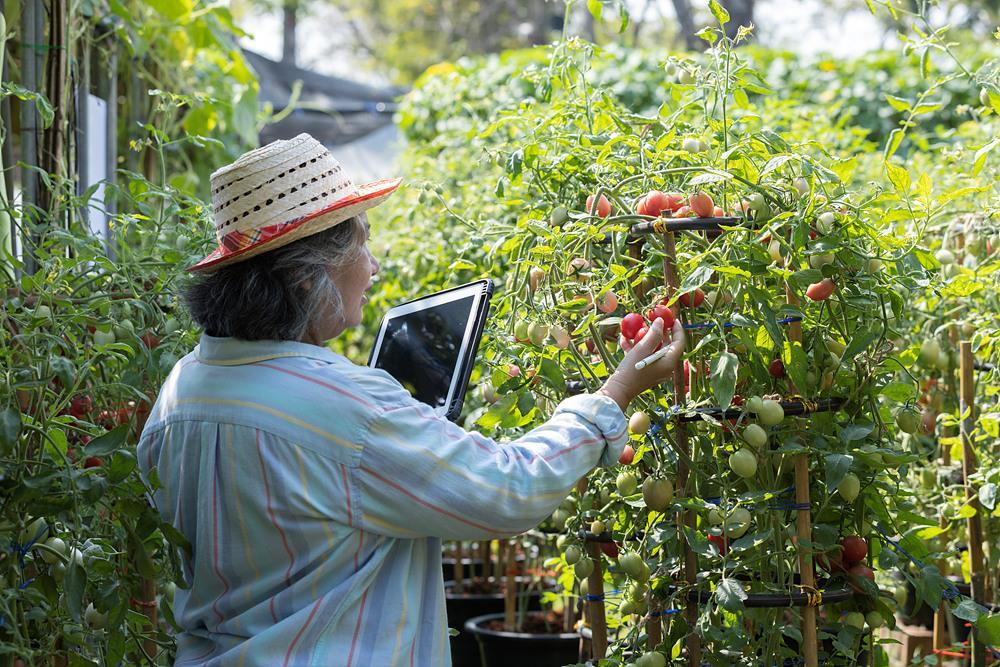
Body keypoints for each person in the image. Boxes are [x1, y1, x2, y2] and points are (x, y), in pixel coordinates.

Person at [137, 133, 685, 666]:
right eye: (362, 243)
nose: (373, 267)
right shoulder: (346, 409)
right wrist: (614, 394)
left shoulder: (181, 392)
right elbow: (507, 489)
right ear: (306, 277)